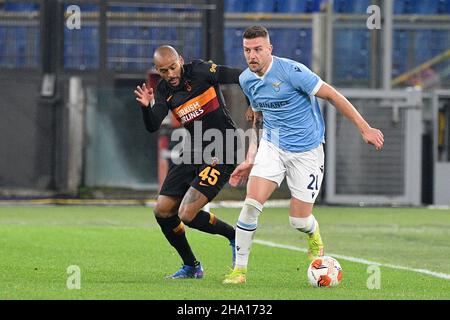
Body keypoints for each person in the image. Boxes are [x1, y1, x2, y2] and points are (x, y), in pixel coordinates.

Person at [223, 26, 384, 284]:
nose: (252, 55)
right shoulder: (246, 80)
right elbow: (257, 117)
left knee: (298, 220)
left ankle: (313, 235)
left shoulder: (292, 72)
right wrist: (251, 155)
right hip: (273, 145)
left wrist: (364, 128)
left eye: (257, 49)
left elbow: (332, 95)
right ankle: (239, 271)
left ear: (269, 49)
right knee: (251, 205)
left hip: (307, 150)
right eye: (247, 50)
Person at [135, 45, 245, 279]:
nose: (171, 75)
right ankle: (191, 266)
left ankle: (235, 236)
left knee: (187, 214)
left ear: (181, 61)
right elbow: (153, 125)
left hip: (223, 147)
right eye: (164, 71)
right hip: (194, 147)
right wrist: (147, 108)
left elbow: (240, 76)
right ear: (158, 70)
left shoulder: (202, 71)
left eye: (173, 67)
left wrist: (253, 105)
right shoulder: (164, 89)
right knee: (163, 210)